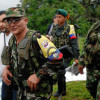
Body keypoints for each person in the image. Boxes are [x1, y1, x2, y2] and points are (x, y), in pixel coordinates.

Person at [2, 7, 63, 100]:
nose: (12, 24)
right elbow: (15, 60)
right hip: (21, 92)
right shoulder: (12, 40)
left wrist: (38, 75)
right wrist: (7, 68)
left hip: (38, 93)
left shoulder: (37, 38)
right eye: (9, 21)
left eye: (16, 20)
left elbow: (58, 57)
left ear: (25, 20)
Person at [46, 9, 79, 97]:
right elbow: (52, 39)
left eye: (60, 17)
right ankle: (61, 89)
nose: (57, 19)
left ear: (65, 18)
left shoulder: (70, 28)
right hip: (56, 53)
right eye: (56, 17)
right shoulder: (55, 27)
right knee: (55, 71)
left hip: (66, 54)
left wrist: (76, 57)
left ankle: (61, 90)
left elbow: (74, 43)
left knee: (60, 71)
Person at [78, 20, 100, 100]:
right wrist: (81, 61)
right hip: (93, 66)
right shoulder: (96, 27)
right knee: (91, 87)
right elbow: (86, 45)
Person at [0, 11, 17, 100]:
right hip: (4, 78)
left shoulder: (16, 35)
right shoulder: (0, 37)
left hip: (16, 78)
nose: (2, 24)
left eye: (3, 21)